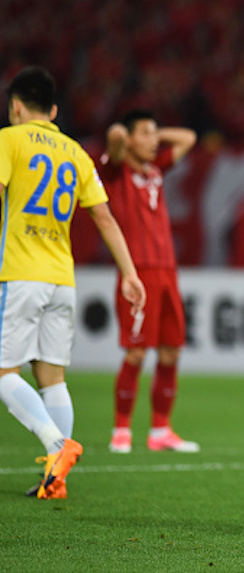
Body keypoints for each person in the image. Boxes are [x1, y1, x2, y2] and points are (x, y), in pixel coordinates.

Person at [0, 66, 146, 499]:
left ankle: (57, 446)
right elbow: (103, 216)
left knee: (3, 371)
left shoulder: (9, 139)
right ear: (55, 110)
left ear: (17, 108)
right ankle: (55, 479)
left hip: (21, 273)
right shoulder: (76, 153)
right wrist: (130, 273)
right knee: (52, 378)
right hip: (62, 279)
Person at [98, 110, 199, 453]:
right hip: (137, 272)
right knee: (137, 352)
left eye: (156, 134)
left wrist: (152, 135)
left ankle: (160, 430)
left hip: (167, 271)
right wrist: (126, 137)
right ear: (130, 139)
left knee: (170, 352)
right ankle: (121, 429)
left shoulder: (155, 169)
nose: (155, 140)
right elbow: (113, 136)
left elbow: (188, 137)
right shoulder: (116, 171)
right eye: (147, 133)